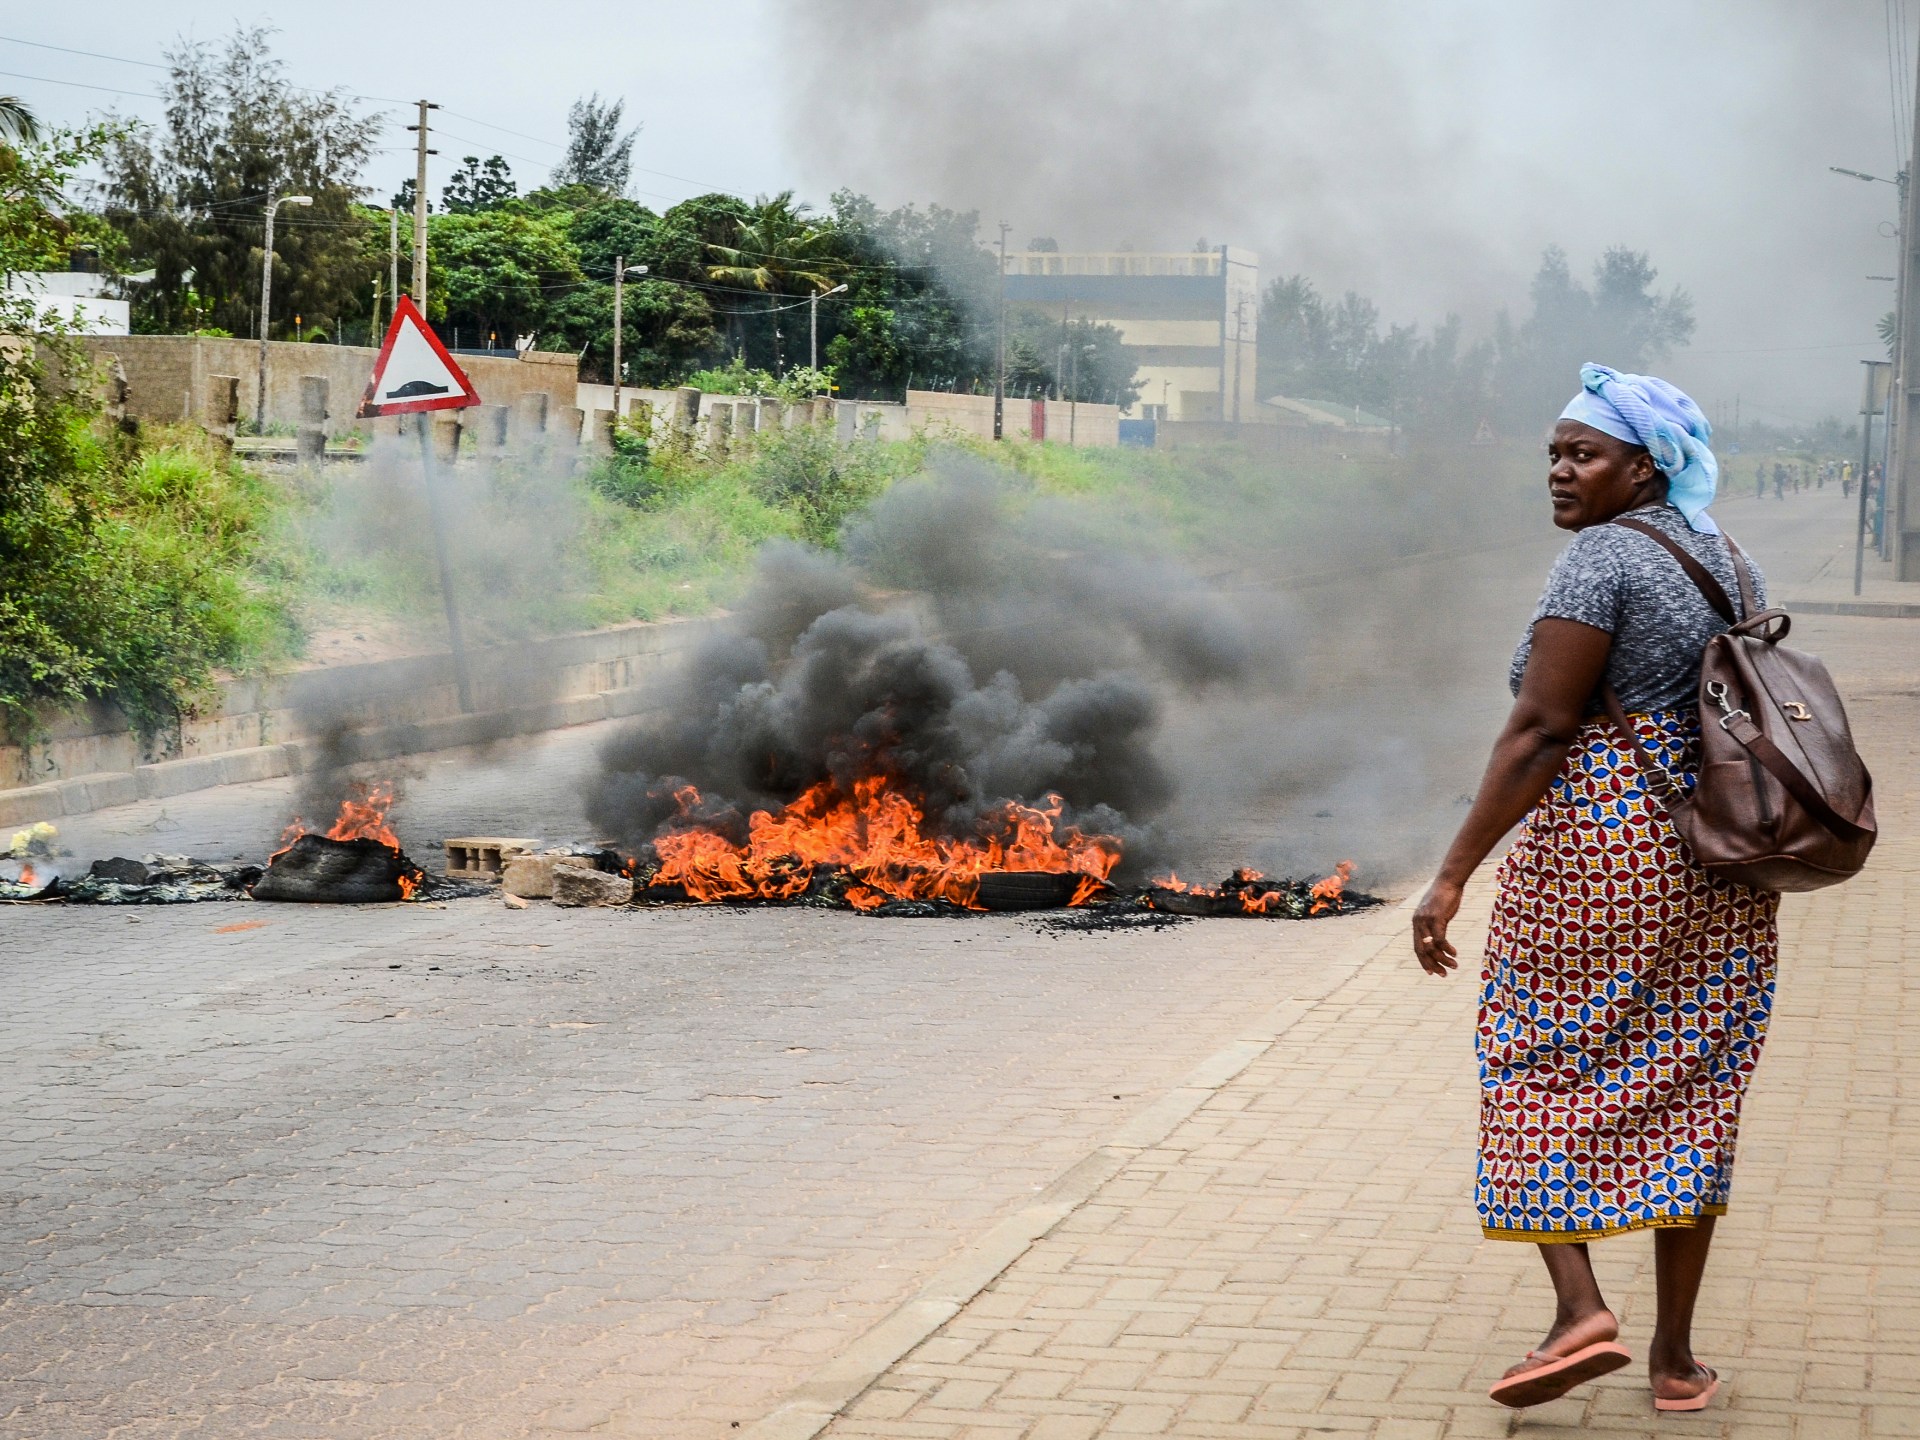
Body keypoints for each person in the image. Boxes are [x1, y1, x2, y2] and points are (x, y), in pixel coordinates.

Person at [1412, 362, 1774, 1414]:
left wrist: (1450, 875)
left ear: (1644, 465)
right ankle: (1673, 1360)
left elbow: (1540, 729)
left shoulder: (1600, 563)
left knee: (1530, 1056)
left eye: (1584, 454)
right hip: (1722, 854)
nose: (1562, 474)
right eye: (1555, 456)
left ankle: (1579, 1310)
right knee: (1697, 1085)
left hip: (1603, 850)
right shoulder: (1730, 555)